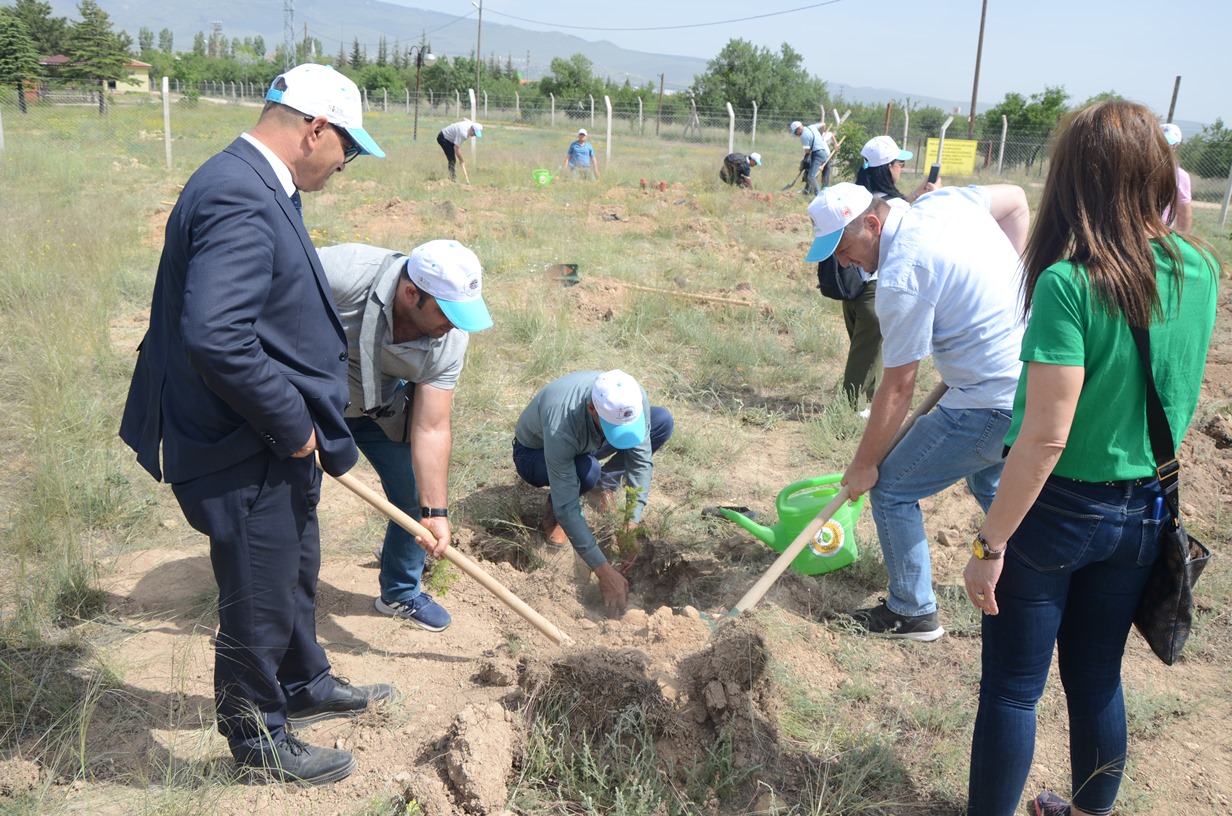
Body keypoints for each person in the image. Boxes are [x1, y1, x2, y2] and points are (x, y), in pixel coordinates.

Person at [119, 64, 393, 785]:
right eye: (349, 148)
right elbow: (216, 336)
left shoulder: (259, 181)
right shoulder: (240, 193)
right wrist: (289, 424)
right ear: (315, 128)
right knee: (258, 590)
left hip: (272, 435)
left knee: (294, 566)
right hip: (245, 437)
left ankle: (304, 682)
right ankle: (259, 738)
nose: (347, 164)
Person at [963, 101, 1219, 816]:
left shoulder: (1069, 283)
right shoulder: (1201, 270)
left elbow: (1045, 437)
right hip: (1146, 508)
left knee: (1013, 687)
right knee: (1098, 675)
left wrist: (990, 541)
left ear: (1078, 179)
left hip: (1057, 513)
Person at [804, 181, 1029, 641]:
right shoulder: (945, 203)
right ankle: (1035, 576)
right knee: (988, 476)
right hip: (1029, 387)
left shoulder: (903, 274)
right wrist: (1013, 287)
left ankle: (912, 611)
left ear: (872, 223)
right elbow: (1017, 200)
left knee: (891, 490)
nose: (842, 262)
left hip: (986, 402)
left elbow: (898, 386)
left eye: (844, 248)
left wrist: (865, 465)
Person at [317, 240, 493, 634]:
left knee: (415, 497)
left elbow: (431, 426)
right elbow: (257, 308)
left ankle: (399, 591)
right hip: (311, 404)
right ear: (411, 292)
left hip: (380, 410)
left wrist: (436, 513)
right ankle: (282, 592)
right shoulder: (341, 272)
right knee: (293, 499)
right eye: (448, 312)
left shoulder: (451, 339)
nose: (456, 324)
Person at [512, 370, 674, 618]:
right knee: (585, 471)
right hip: (536, 453)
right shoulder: (562, 424)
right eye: (612, 425)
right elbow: (569, 507)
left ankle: (603, 483)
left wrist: (631, 521)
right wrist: (603, 571)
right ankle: (554, 512)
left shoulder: (632, 396)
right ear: (591, 408)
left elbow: (640, 463)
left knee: (662, 421)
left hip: (589, 440)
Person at [857, 134, 936, 203]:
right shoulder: (896, 206)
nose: (901, 169)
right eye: (901, 164)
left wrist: (916, 194)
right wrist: (935, 195)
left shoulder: (855, 197)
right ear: (889, 166)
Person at [1162, 122, 1194, 232]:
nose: (1164, 147)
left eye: (1169, 143)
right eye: (1161, 142)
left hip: (1161, 233)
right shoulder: (1137, 168)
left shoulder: (1180, 176)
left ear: (1176, 146)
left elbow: (1184, 213)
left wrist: (1182, 241)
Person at [790, 120, 830, 195]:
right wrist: (821, 135)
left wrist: (804, 163)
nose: (796, 134)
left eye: (795, 132)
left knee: (811, 176)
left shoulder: (803, 136)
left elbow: (807, 151)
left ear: (799, 129)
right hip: (824, 153)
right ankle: (807, 191)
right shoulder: (812, 127)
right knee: (811, 173)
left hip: (817, 154)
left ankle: (818, 195)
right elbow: (823, 124)